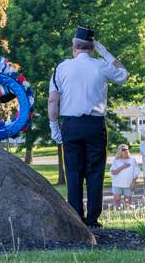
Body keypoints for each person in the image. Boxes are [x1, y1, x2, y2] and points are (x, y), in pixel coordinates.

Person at [48, 27, 128, 227]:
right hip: (94, 124)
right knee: (95, 172)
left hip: (71, 124)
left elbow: (52, 101)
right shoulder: (101, 65)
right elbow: (124, 74)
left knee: (73, 172)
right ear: (93, 48)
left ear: (74, 46)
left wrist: (53, 126)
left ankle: (76, 217)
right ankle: (93, 219)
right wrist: (106, 53)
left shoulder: (62, 67)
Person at [109, 144, 140, 208]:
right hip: (117, 184)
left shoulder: (132, 160)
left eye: (127, 149)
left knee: (127, 203)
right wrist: (123, 166)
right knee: (117, 201)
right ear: (120, 151)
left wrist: (133, 183)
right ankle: (117, 216)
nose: (126, 151)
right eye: (124, 150)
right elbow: (113, 172)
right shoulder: (116, 160)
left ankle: (127, 216)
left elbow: (136, 173)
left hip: (129, 185)